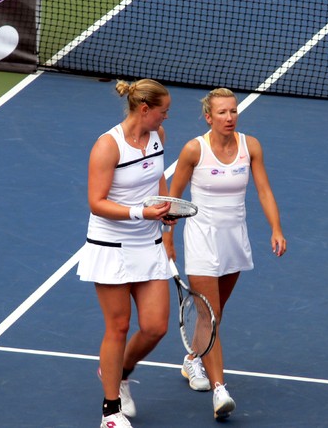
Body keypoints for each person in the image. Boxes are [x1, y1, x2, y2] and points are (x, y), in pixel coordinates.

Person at [164, 88, 286, 420]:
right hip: (202, 238)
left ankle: (193, 360)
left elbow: (263, 189)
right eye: (222, 113)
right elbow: (173, 197)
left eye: (233, 111)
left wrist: (276, 228)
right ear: (208, 117)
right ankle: (220, 390)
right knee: (210, 314)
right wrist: (168, 236)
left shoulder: (251, 146)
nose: (229, 117)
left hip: (235, 238)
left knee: (216, 311)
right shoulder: (194, 149)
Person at [77, 78, 176, 428]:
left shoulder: (157, 138)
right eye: (163, 112)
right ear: (145, 110)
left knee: (155, 327)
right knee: (118, 326)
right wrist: (140, 213)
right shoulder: (108, 146)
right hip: (111, 246)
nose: (166, 119)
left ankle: (119, 372)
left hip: (147, 244)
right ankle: (110, 411)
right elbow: (96, 202)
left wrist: (165, 215)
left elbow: (157, 181)